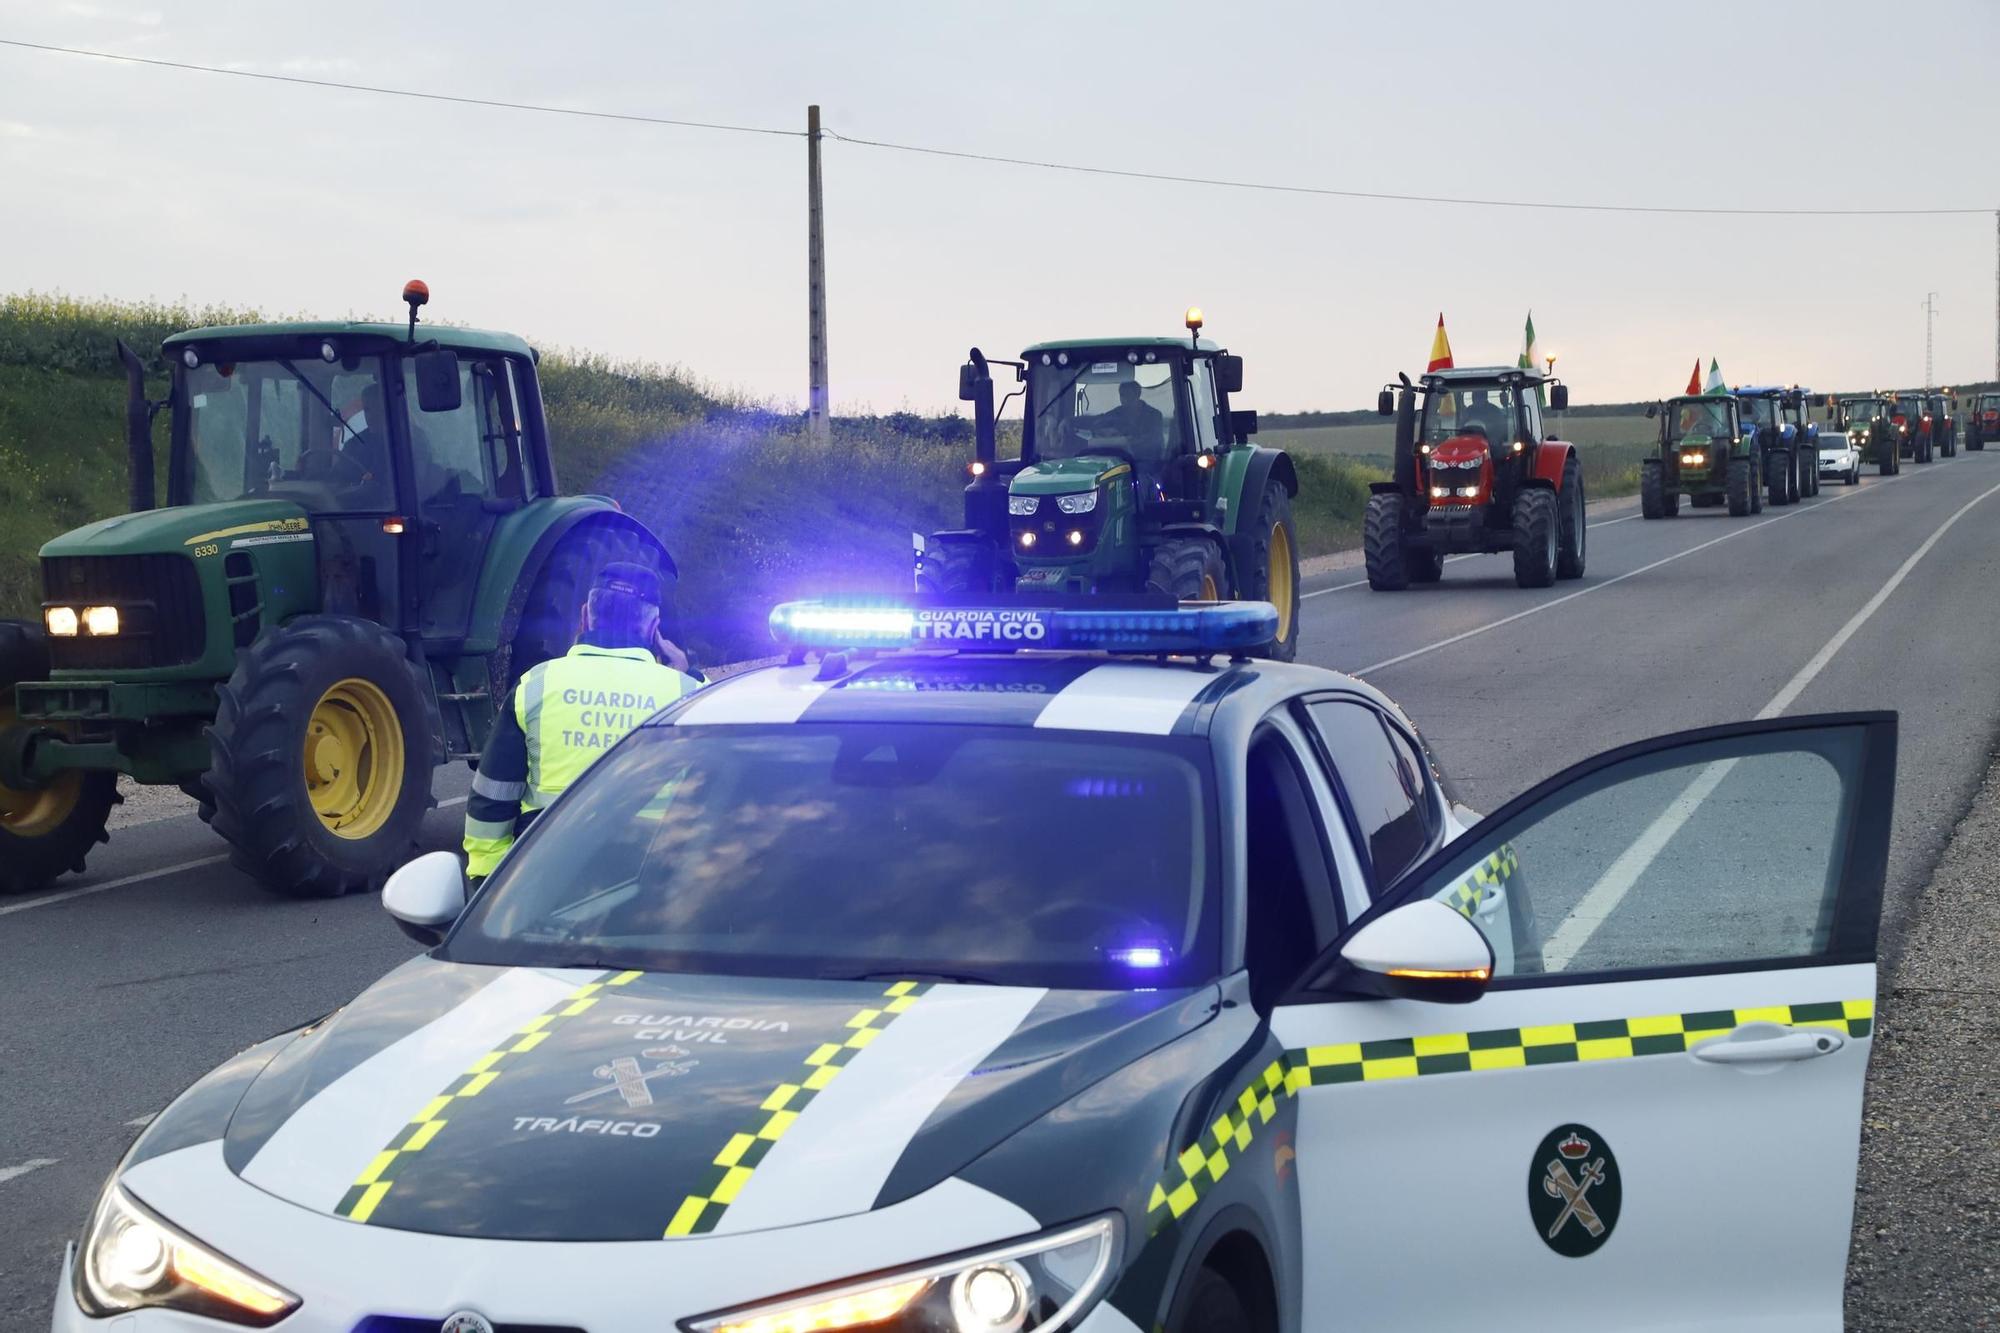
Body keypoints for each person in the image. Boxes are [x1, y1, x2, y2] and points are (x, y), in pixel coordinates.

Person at [462, 562, 701, 880]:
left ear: (585, 615)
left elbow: (492, 799)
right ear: (654, 628)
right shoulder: (687, 694)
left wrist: (486, 886)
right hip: (652, 881)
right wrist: (690, 674)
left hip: (546, 880)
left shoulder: (535, 685)